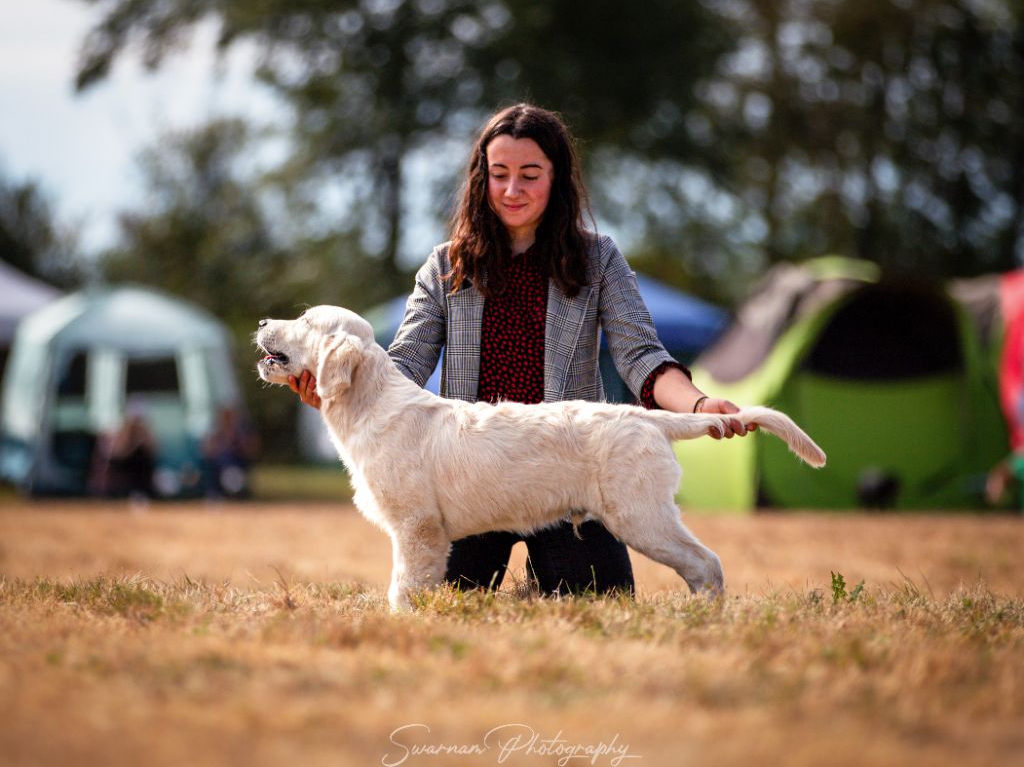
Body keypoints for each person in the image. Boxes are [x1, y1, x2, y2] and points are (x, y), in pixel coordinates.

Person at [290, 103, 750, 596]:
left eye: (530, 175)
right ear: (480, 179)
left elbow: (642, 356)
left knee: (600, 607)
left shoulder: (599, 259)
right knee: (444, 606)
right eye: (499, 174)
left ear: (557, 178)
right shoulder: (445, 267)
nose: (513, 190)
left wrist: (700, 406)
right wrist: (340, 386)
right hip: (468, 481)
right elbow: (403, 365)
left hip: (569, 470)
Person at [202, 405, 259, 499]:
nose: (227, 420)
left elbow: (252, 449)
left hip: (238, 462)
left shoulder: (241, 432)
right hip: (219, 465)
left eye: (229, 417)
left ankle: (235, 486)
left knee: (230, 461)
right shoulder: (217, 433)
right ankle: (218, 491)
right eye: (225, 417)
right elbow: (207, 451)